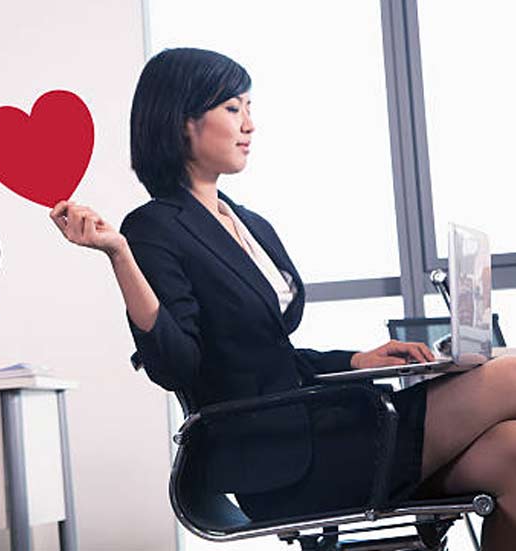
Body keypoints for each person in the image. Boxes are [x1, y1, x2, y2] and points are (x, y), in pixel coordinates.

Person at [50, 48, 516, 549]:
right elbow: (178, 364)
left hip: (323, 427)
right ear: (183, 121)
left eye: (249, 107)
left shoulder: (249, 223)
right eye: (233, 108)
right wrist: (119, 255)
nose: (249, 124)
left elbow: (264, 355)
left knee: (512, 453)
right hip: (284, 461)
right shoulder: (153, 227)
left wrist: (357, 359)